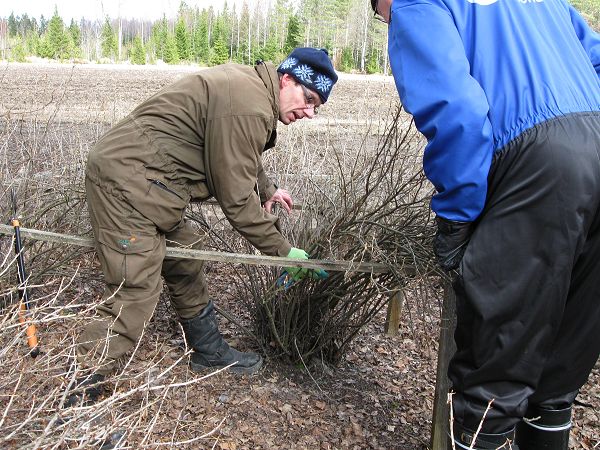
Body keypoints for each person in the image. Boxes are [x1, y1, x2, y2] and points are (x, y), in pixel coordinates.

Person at [371, 0, 600, 448]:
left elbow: (456, 110)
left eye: (380, 15)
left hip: (539, 164)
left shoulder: (414, 4)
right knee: (556, 378)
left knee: (492, 378)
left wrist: (457, 219)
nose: (387, 21)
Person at [67, 47, 337, 406]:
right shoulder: (249, 106)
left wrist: (268, 189)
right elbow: (237, 202)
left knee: (185, 257)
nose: (309, 112)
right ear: (287, 79)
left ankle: (208, 351)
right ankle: (83, 384)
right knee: (135, 288)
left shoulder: (250, 90)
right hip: (128, 182)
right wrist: (285, 252)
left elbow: (238, 152)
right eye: (309, 99)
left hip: (151, 183)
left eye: (317, 106)